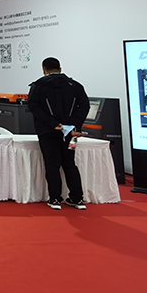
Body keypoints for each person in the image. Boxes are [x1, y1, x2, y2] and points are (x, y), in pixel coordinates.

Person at [28, 57, 90, 210]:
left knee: (52, 164)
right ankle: (78, 199)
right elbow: (85, 106)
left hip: (48, 131)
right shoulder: (75, 86)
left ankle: (55, 198)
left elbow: (33, 107)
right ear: (60, 69)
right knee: (69, 163)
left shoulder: (38, 86)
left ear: (44, 70)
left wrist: (53, 124)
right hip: (70, 132)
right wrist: (74, 126)